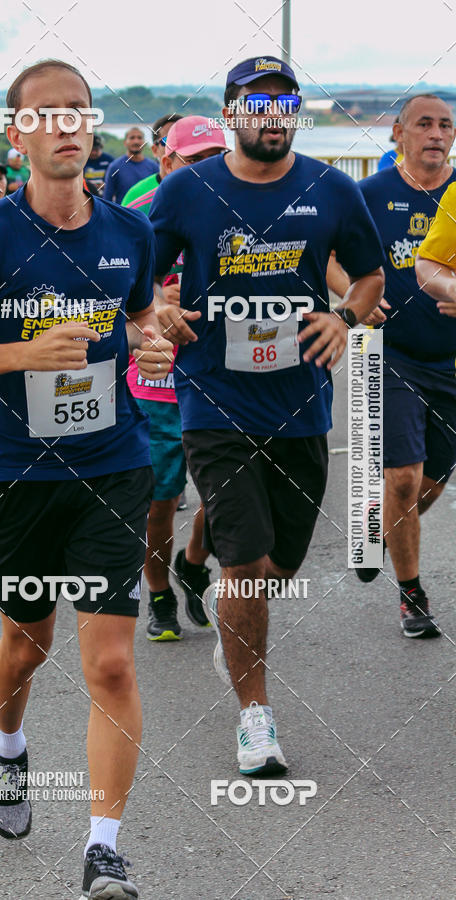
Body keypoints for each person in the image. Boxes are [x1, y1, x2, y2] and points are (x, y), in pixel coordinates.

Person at [0, 59, 173, 900]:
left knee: (111, 665)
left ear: (91, 128)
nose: (65, 126)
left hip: (113, 464)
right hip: (16, 471)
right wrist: (22, 352)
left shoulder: (129, 234)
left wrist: (155, 338)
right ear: (16, 132)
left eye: (78, 113)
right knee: (28, 645)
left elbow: (138, 317)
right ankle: (9, 745)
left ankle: (104, 850)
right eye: (45, 115)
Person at [150, 55, 384, 775]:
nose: (272, 114)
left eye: (285, 102)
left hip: (300, 405)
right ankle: (255, 717)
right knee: (248, 570)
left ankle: (202, 566)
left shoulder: (331, 187)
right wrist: (158, 311)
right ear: (233, 113)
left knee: (277, 563)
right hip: (213, 400)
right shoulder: (188, 190)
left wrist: (345, 316)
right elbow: (142, 279)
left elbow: (372, 275)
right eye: (258, 103)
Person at [354, 93, 456, 638]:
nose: (435, 134)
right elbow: (328, 250)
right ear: (398, 133)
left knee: (429, 486)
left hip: (452, 360)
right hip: (392, 353)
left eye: (445, 125)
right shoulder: (369, 194)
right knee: (403, 478)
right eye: (423, 124)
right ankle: (412, 595)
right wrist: (353, 295)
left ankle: (377, 527)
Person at [124, 116, 227, 640]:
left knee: (227, 491)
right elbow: (115, 301)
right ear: (167, 162)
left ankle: (192, 563)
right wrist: (158, 308)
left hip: (222, 376)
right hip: (159, 381)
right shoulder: (135, 217)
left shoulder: (240, 213)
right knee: (161, 498)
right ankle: (159, 593)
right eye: (194, 160)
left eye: (216, 159)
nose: (206, 172)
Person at [120, 114, 183, 208]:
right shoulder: (136, 196)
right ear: (155, 150)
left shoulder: (205, 187)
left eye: (184, 139)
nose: (176, 146)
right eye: (168, 140)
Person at [103, 127, 158, 204]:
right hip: (123, 214)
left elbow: (159, 196)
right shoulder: (115, 167)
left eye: (139, 138)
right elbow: (107, 199)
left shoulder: (154, 167)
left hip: (147, 215)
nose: (136, 141)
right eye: (132, 138)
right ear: (125, 142)